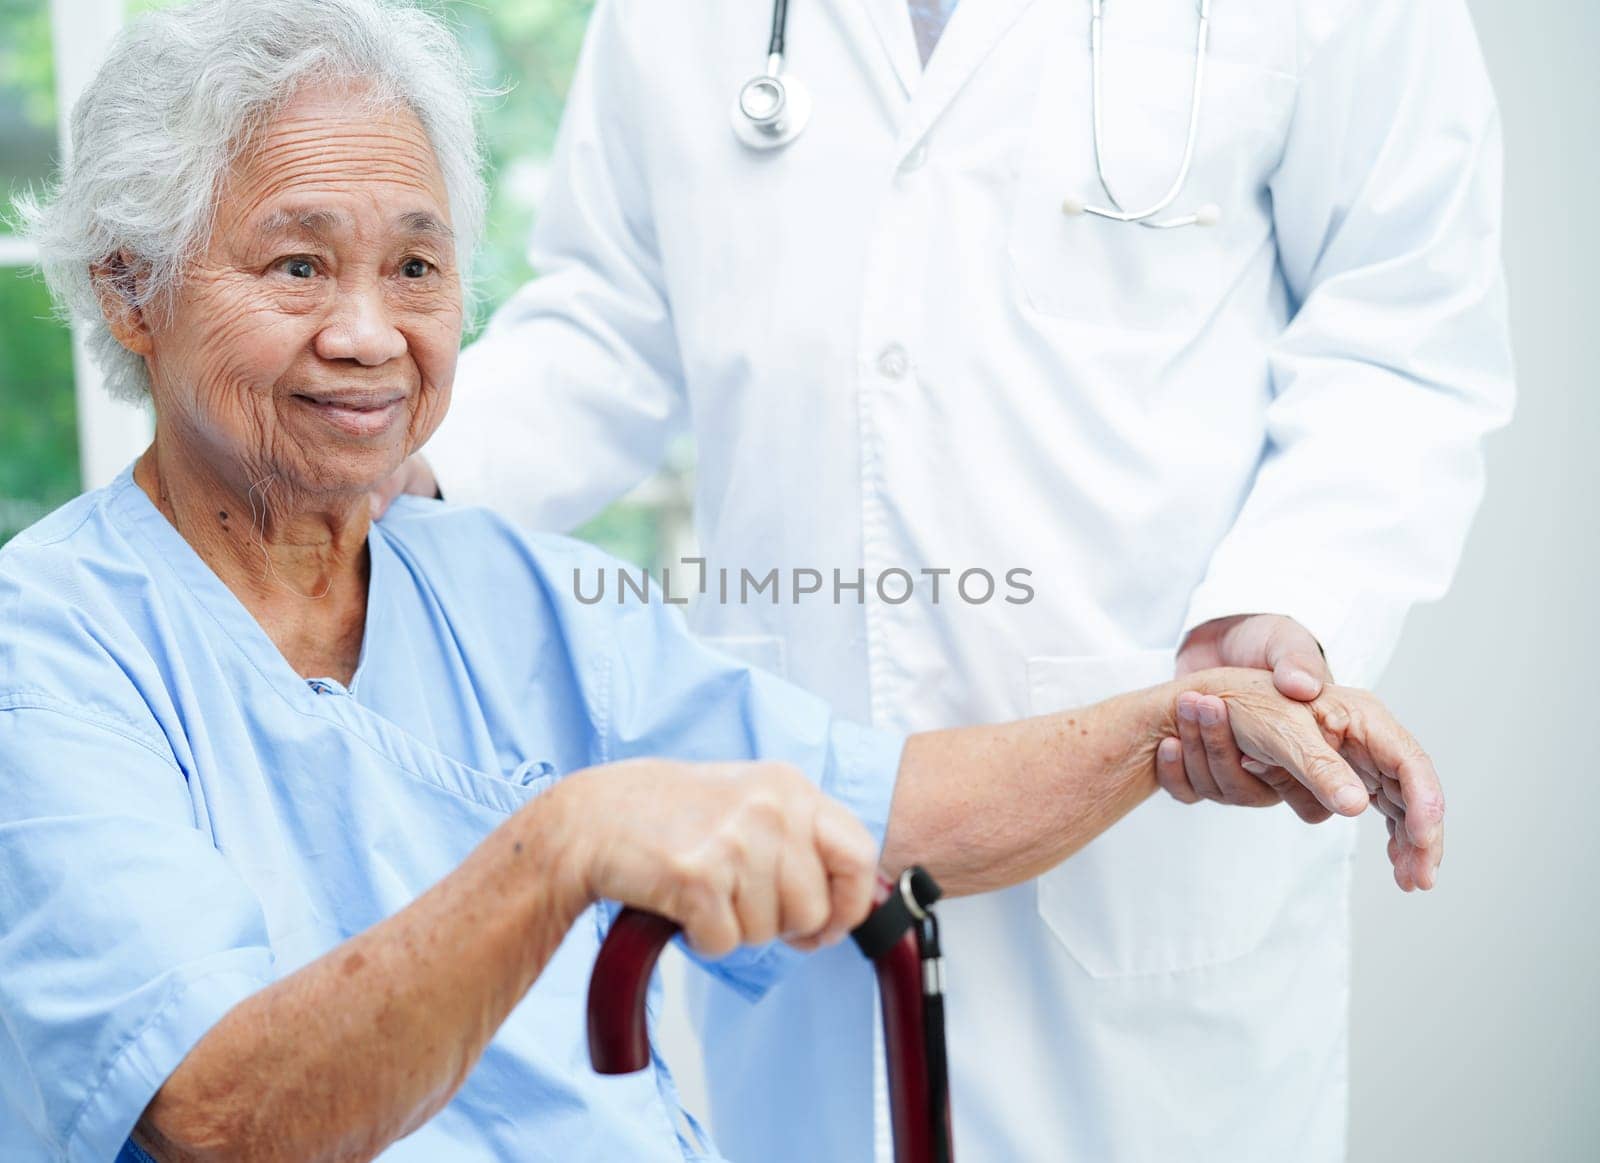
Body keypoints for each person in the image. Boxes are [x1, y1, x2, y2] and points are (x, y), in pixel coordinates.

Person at [0, 1, 1447, 1161]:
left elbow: (886, 803)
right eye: (299, 267)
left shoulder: (507, 591)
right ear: (132, 287)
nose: (372, 332)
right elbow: (219, 1116)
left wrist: (1191, 715)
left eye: (421, 265)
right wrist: (564, 837)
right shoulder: (49, 650)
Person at [385, 0, 1515, 1159]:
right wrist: (403, 464)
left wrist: (1283, 596)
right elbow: (611, 319)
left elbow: (1402, 329)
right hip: (802, 820)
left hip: (1150, 828)